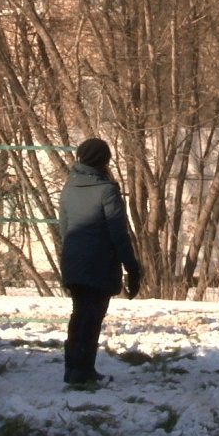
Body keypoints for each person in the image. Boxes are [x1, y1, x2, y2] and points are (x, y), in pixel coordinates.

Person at [59, 137, 141, 385]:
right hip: (99, 265)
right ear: (104, 160)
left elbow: (64, 229)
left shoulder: (68, 187)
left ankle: (73, 369)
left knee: (78, 314)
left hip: (73, 262)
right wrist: (132, 267)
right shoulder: (107, 190)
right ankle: (84, 372)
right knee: (92, 318)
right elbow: (118, 233)